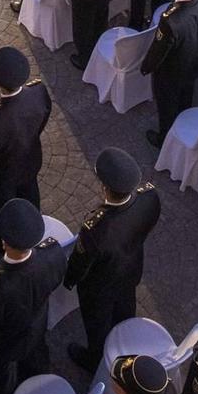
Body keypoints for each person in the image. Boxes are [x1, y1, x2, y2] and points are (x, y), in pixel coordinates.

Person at [65, 147, 162, 372]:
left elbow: (81, 262)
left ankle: (95, 359)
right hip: (131, 269)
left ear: (104, 187)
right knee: (126, 306)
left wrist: (70, 280)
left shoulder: (95, 229)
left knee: (97, 322)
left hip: (100, 286)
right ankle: (124, 338)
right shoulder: (149, 197)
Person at [0, 199, 69, 394]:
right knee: (36, 358)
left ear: (4, 242)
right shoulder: (52, 254)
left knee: (2, 377)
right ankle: (37, 385)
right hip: (37, 325)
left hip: (4, 342)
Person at [141, 0, 198, 147]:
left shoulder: (171, 20)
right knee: (186, 96)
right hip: (194, 60)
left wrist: (146, 67)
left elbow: (159, 50)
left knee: (167, 106)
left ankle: (165, 138)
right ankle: (183, 123)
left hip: (171, 71)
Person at [0, 46, 54, 209]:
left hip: (5, 174)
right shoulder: (39, 90)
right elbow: (45, 115)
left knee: (6, 207)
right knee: (31, 193)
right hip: (31, 160)